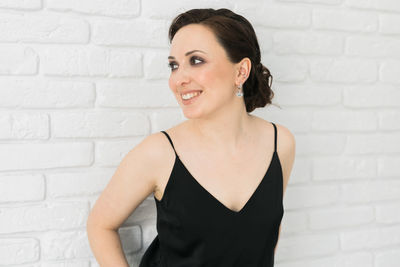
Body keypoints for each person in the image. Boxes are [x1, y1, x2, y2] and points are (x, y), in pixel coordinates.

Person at [87, 8, 295, 267]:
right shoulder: (159, 153)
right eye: (174, 65)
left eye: (196, 60)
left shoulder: (280, 144)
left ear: (241, 71)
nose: (178, 79)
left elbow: (263, 238)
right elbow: (100, 225)